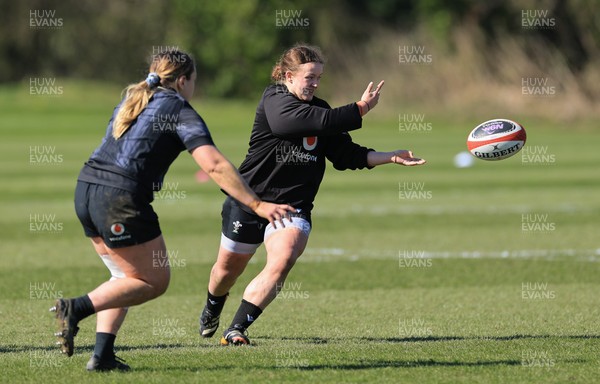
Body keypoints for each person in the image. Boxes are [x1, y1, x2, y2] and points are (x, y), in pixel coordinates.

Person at [50, 49, 295, 371]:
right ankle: (76, 308)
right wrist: (257, 204)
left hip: (86, 191)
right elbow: (214, 165)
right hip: (120, 199)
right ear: (183, 80)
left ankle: (103, 356)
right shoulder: (179, 109)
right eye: (194, 81)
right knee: (154, 280)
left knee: (122, 276)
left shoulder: (131, 99)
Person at [198, 44, 426, 346]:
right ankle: (213, 305)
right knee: (226, 271)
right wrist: (361, 108)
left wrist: (391, 157)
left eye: (319, 77)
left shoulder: (321, 110)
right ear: (289, 76)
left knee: (283, 258)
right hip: (252, 200)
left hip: (293, 206)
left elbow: (345, 154)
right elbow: (298, 123)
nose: (316, 84)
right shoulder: (274, 100)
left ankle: (236, 329)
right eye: (309, 77)